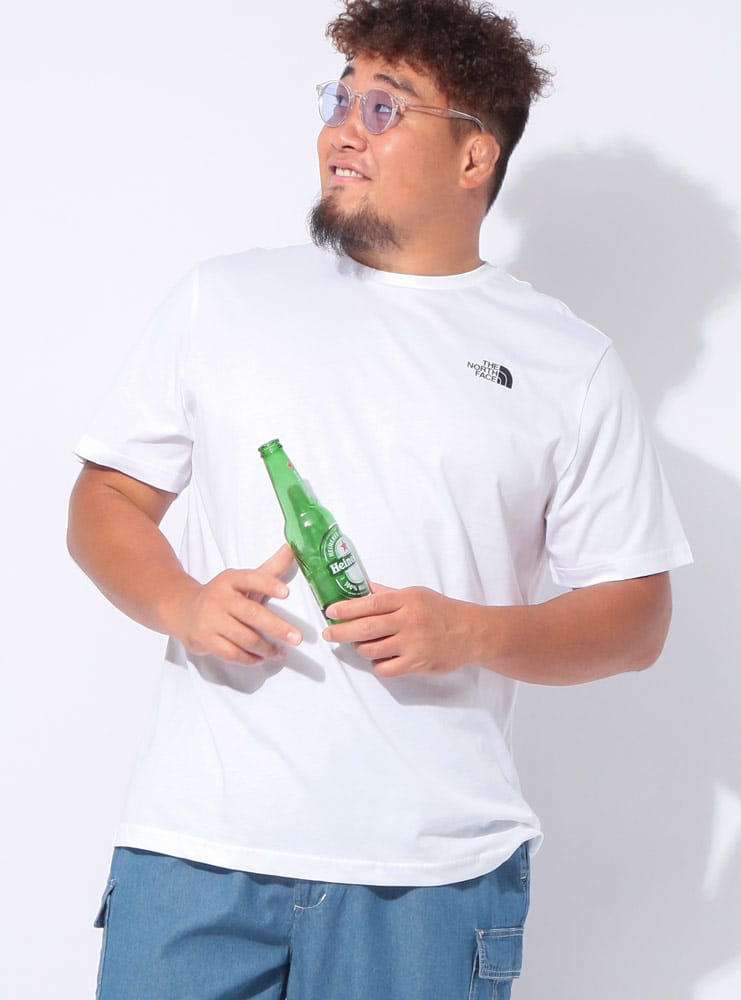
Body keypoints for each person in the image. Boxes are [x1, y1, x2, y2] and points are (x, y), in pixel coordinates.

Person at [67, 1, 692, 997]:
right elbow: (105, 498)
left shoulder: (566, 362)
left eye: (385, 107)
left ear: (474, 156)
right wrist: (182, 601)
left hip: (430, 876)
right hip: (196, 853)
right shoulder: (223, 299)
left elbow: (636, 618)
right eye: (339, 98)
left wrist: (469, 631)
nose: (343, 130)